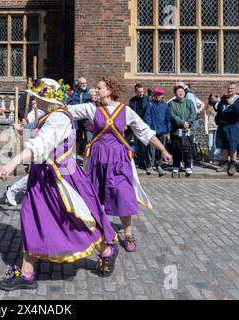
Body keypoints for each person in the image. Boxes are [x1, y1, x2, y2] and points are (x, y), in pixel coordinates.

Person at [0, 78, 119, 291]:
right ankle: (27, 273)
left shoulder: (58, 119)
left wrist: (13, 162)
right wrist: (20, 131)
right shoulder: (47, 117)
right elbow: (35, 142)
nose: (33, 100)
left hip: (61, 180)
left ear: (47, 98)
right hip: (42, 178)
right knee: (32, 216)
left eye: (36, 97)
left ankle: (106, 251)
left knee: (75, 220)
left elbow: (40, 146)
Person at [67, 77, 172, 252]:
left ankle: (128, 233)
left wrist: (163, 150)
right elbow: (69, 111)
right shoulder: (92, 108)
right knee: (92, 195)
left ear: (109, 90)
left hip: (119, 160)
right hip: (97, 159)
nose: (95, 91)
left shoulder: (126, 111)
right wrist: (45, 105)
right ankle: (95, 231)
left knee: (123, 194)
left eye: (99, 88)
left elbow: (144, 131)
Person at [5, 97, 45, 206]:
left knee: (40, 175)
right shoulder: (33, 114)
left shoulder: (46, 113)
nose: (34, 103)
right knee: (36, 174)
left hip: (47, 149)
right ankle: (13, 190)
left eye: (36, 101)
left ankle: (18, 191)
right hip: (35, 147)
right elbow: (27, 129)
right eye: (33, 102)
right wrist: (21, 126)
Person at [214, 83, 239, 175]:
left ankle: (232, 165)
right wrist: (217, 120)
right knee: (223, 145)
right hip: (222, 125)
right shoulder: (224, 98)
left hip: (233, 125)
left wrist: (233, 105)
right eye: (229, 88)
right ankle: (224, 163)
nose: (229, 90)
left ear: (236, 90)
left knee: (233, 145)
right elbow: (219, 110)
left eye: (232, 88)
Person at [168, 85, 196, 176]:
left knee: (188, 148)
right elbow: (172, 115)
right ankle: (176, 165)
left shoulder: (189, 102)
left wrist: (188, 123)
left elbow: (193, 113)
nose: (181, 93)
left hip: (188, 129)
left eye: (183, 92)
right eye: (179, 92)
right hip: (177, 130)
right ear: (175, 94)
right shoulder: (172, 103)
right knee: (177, 148)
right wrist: (182, 122)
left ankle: (187, 166)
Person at [143, 87, 171, 176]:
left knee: (161, 149)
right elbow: (147, 117)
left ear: (162, 96)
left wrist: (168, 129)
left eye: (160, 94)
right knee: (151, 149)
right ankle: (150, 165)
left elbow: (168, 118)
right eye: (156, 94)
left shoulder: (165, 106)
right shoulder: (150, 104)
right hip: (152, 131)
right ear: (153, 95)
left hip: (162, 131)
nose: (158, 96)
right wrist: (149, 129)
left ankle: (159, 165)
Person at [128, 84, 150, 169]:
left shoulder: (147, 99)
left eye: (142, 92)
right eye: (139, 92)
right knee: (137, 145)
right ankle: (139, 161)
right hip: (135, 125)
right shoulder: (132, 100)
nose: (141, 93)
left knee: (144, 144)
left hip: (144, 125)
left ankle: (145, 162)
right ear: (135, 91)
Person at [68, 77, 91, 156]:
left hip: (86, 119)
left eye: (85, 83)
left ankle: (87, 155)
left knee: (88, 137)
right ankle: (76, 155)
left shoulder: (89, 93)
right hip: (77, 119)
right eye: (82, 83)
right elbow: (69, 102)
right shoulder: (74, 93)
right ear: (79, 84)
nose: (84, 84)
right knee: (77, 136)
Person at [205, 94, 222, 165]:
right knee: (210, 144)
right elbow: (206, 118)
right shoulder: (208, 106)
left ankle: (217, 158)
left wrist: (218, 102)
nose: (213, 99)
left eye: (215, 98)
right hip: (210, 127)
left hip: (217, 127)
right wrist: (206, 128)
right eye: (211, 98)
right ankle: (211, 157)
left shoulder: (219, 105)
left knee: (216, 144)